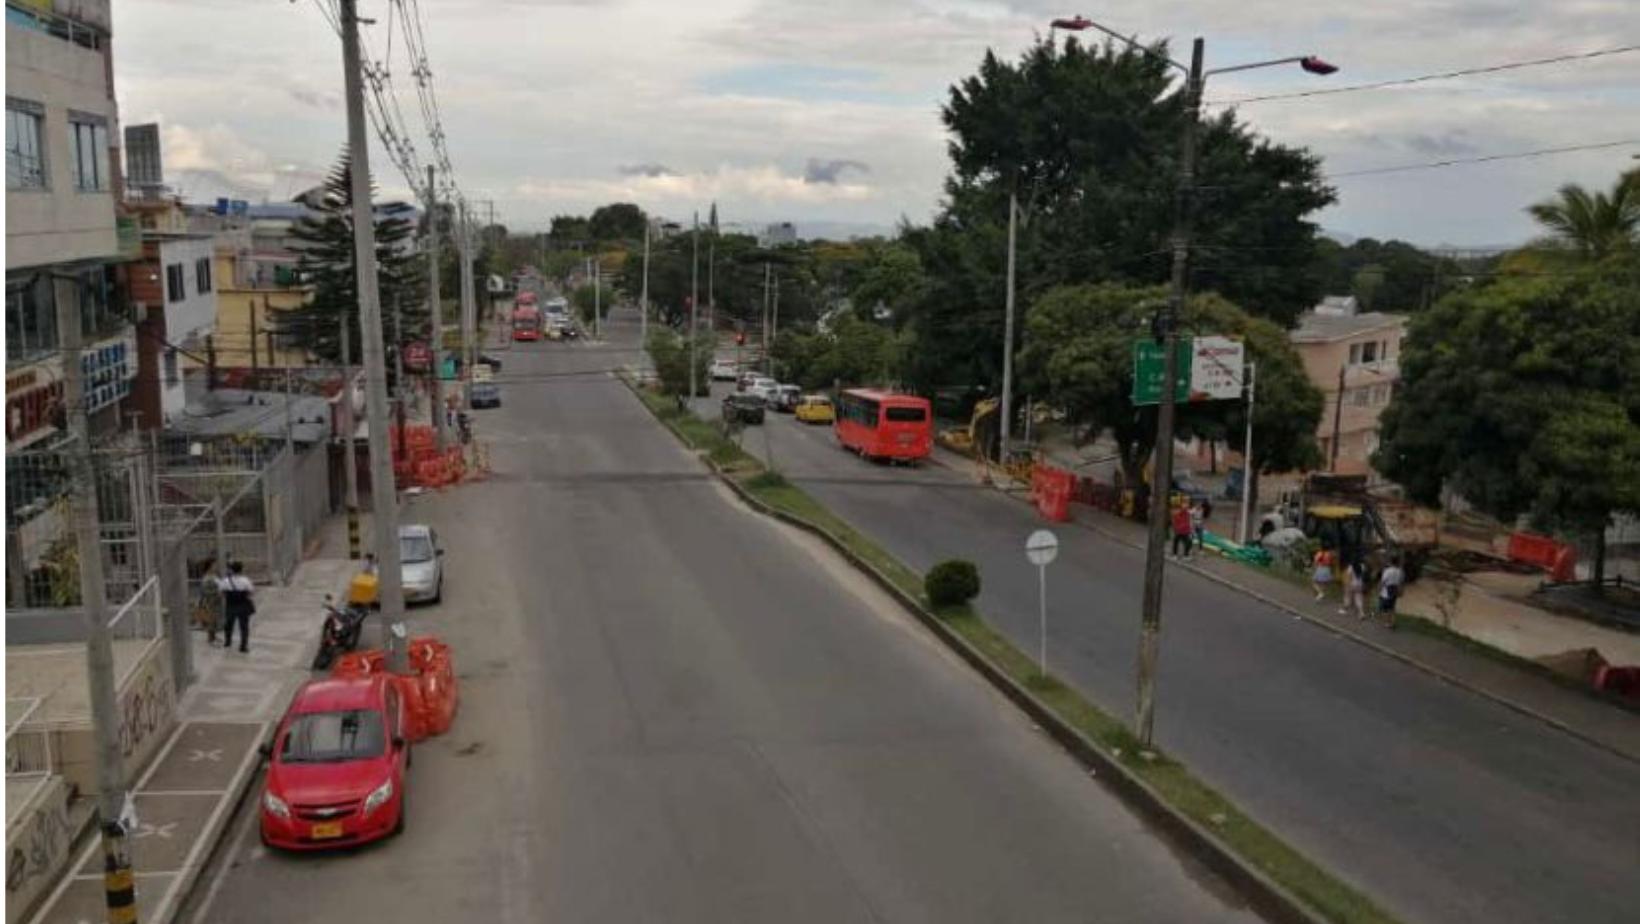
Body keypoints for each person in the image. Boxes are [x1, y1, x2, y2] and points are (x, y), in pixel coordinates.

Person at [218, 561, 256, 653]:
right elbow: (251, 592)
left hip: (230, 605)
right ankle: (243, 646)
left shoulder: (226, 581)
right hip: (243, 605)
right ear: (241, 570)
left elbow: (221, 593)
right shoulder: (245, 580)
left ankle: (228, 642)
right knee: (244, 627)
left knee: (229, 625)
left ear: (232, 570)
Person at [192, 557, 223, 645]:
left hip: (216, 601)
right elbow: (205, 591)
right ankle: (210, 639)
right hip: (210, 601)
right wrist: (216, 593)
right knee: (211, 619)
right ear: (210, 566)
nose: (216, 567)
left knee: (215, 619)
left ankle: (213, 636)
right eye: (214, 565)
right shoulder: (207, 577)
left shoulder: (214, 575)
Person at [1378, 558, 1406, 627]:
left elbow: (1383, 581)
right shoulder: (1401, 571)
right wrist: (1401, 591)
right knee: (1392, 607)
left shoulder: (1387, 571)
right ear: (1398, 562)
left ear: (1390, 562)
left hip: (1386, 591)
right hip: (1395, 591)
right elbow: (1402, 582)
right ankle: (1393, 622)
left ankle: (1387, 623)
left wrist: (1379, 589)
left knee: (1385, 609)